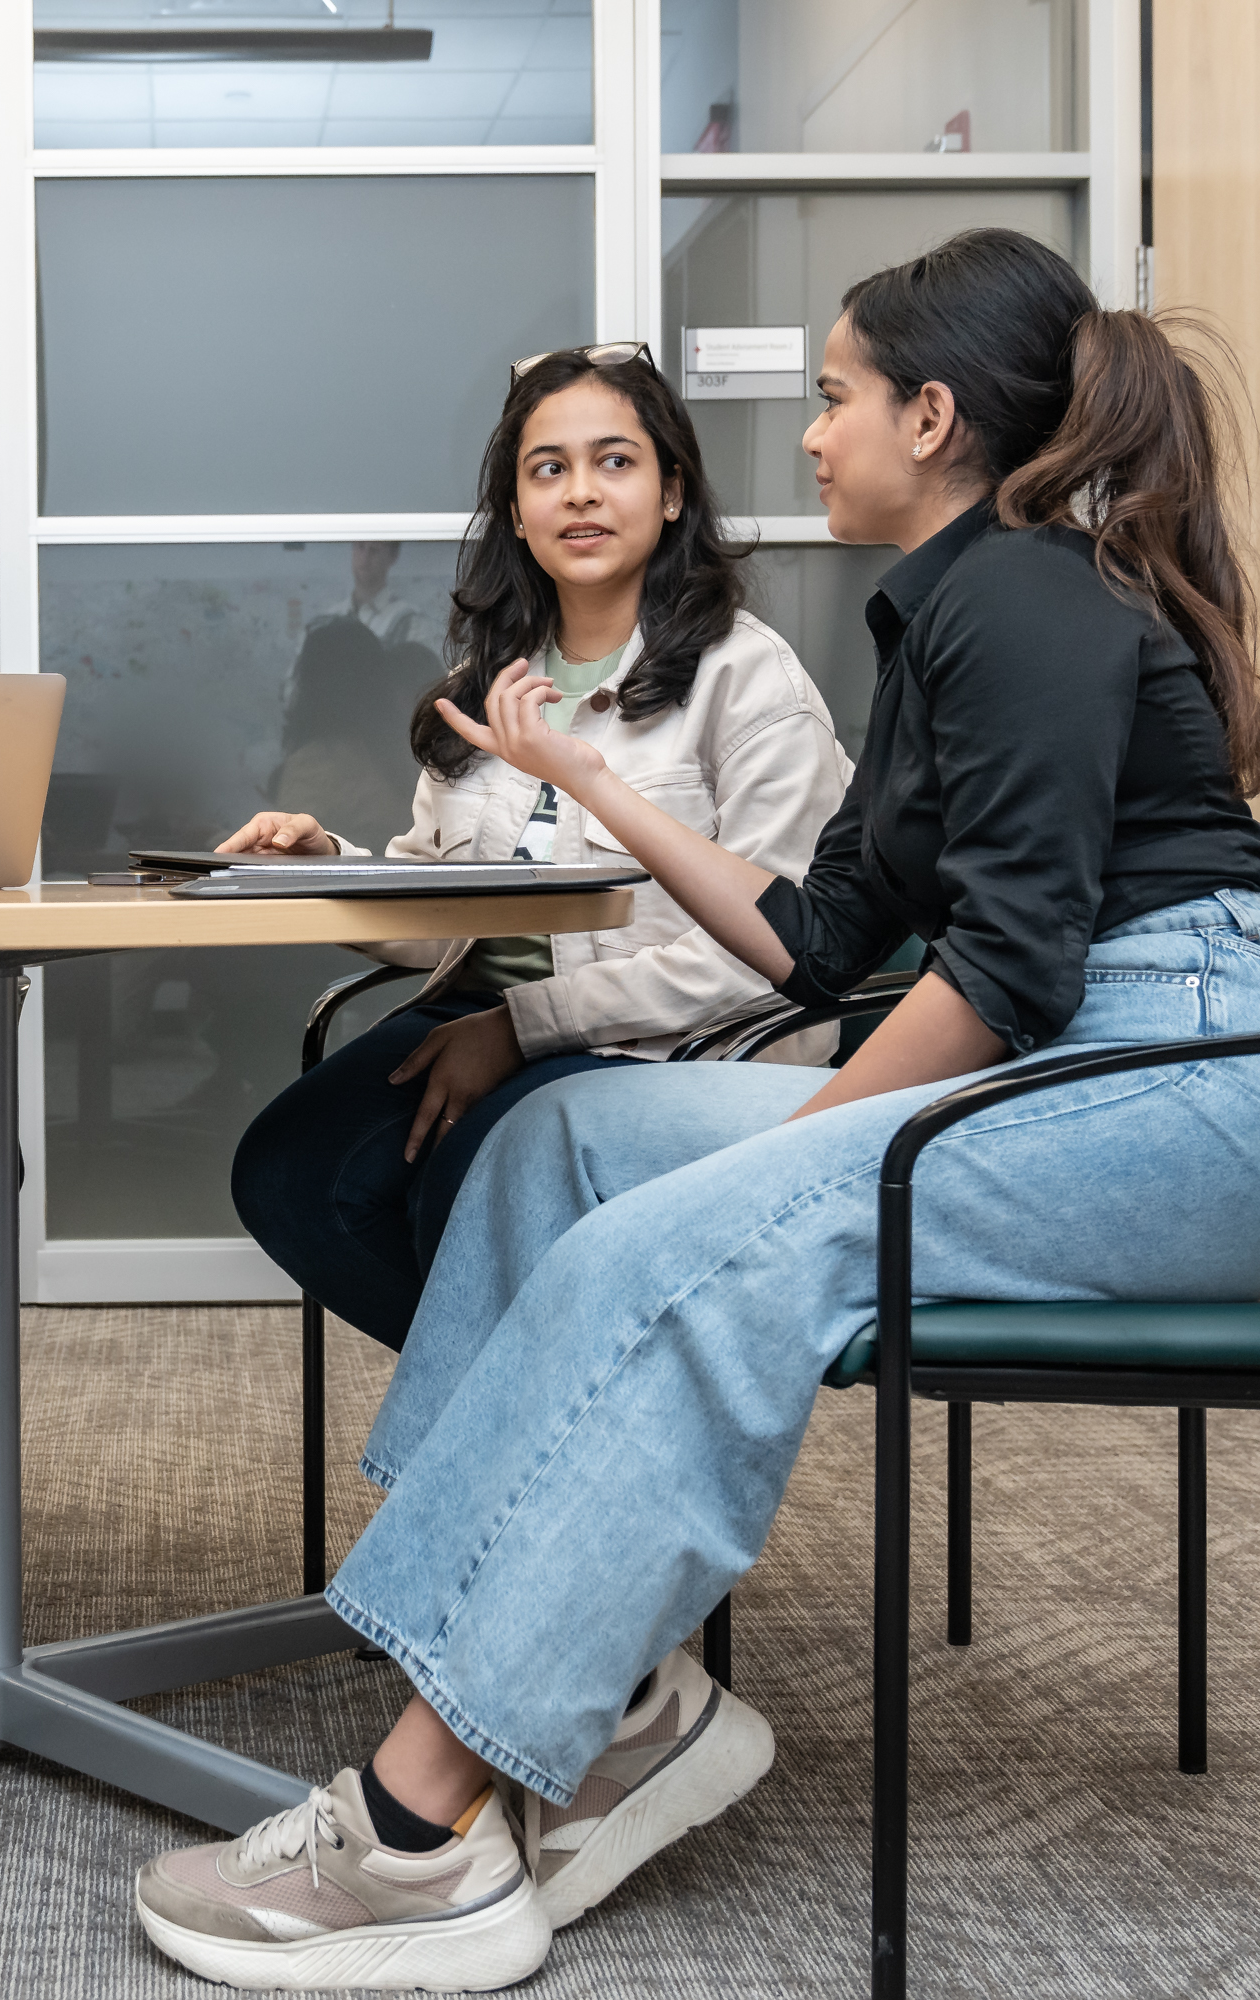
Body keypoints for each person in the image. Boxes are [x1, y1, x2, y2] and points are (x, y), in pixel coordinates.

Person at [136, 230, 1260, 1989]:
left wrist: (801, 1145)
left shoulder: (1020, 592)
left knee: (705, 1232)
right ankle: (602, 1692)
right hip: (1082, 1060)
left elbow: (1007, 964)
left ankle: (418, 1843)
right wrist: (592, 782)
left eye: (836, 399)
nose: (814, 436)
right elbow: (815, 929)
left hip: (1185, 1090)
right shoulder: (937, 619)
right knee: (559, 1135)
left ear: (932, 417)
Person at [219, 344, 853, 1351]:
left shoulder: (750, 680)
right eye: (548, 469)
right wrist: (322, 863)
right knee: (289, 1172)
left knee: (471, 1196)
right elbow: (445, 913)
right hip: (486, 1012)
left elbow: (779, 946)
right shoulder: (487, 682)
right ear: (516, 509)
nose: (581, 494)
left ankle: (514, 1455)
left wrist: (523, 1028)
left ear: (674, 489)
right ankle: (551, 1410)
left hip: (665, 1040)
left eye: (616, 461)